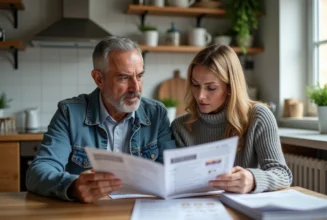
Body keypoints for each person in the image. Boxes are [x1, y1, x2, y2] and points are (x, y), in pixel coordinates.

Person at [26, 36, 176, 203]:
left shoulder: (157, 113)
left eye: (139, 76)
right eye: (124, 78)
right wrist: (73, 187)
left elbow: (171, 171)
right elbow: (37, 173)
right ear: (99, 79)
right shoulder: (69, 114)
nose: (136, 88)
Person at [171, 45, 292, 194]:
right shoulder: (180, 126)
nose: (200, 96)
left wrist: (253, 179)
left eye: (211, 88)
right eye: (196, 85)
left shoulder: (259, 116)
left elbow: (282, 174)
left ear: (230, 87)